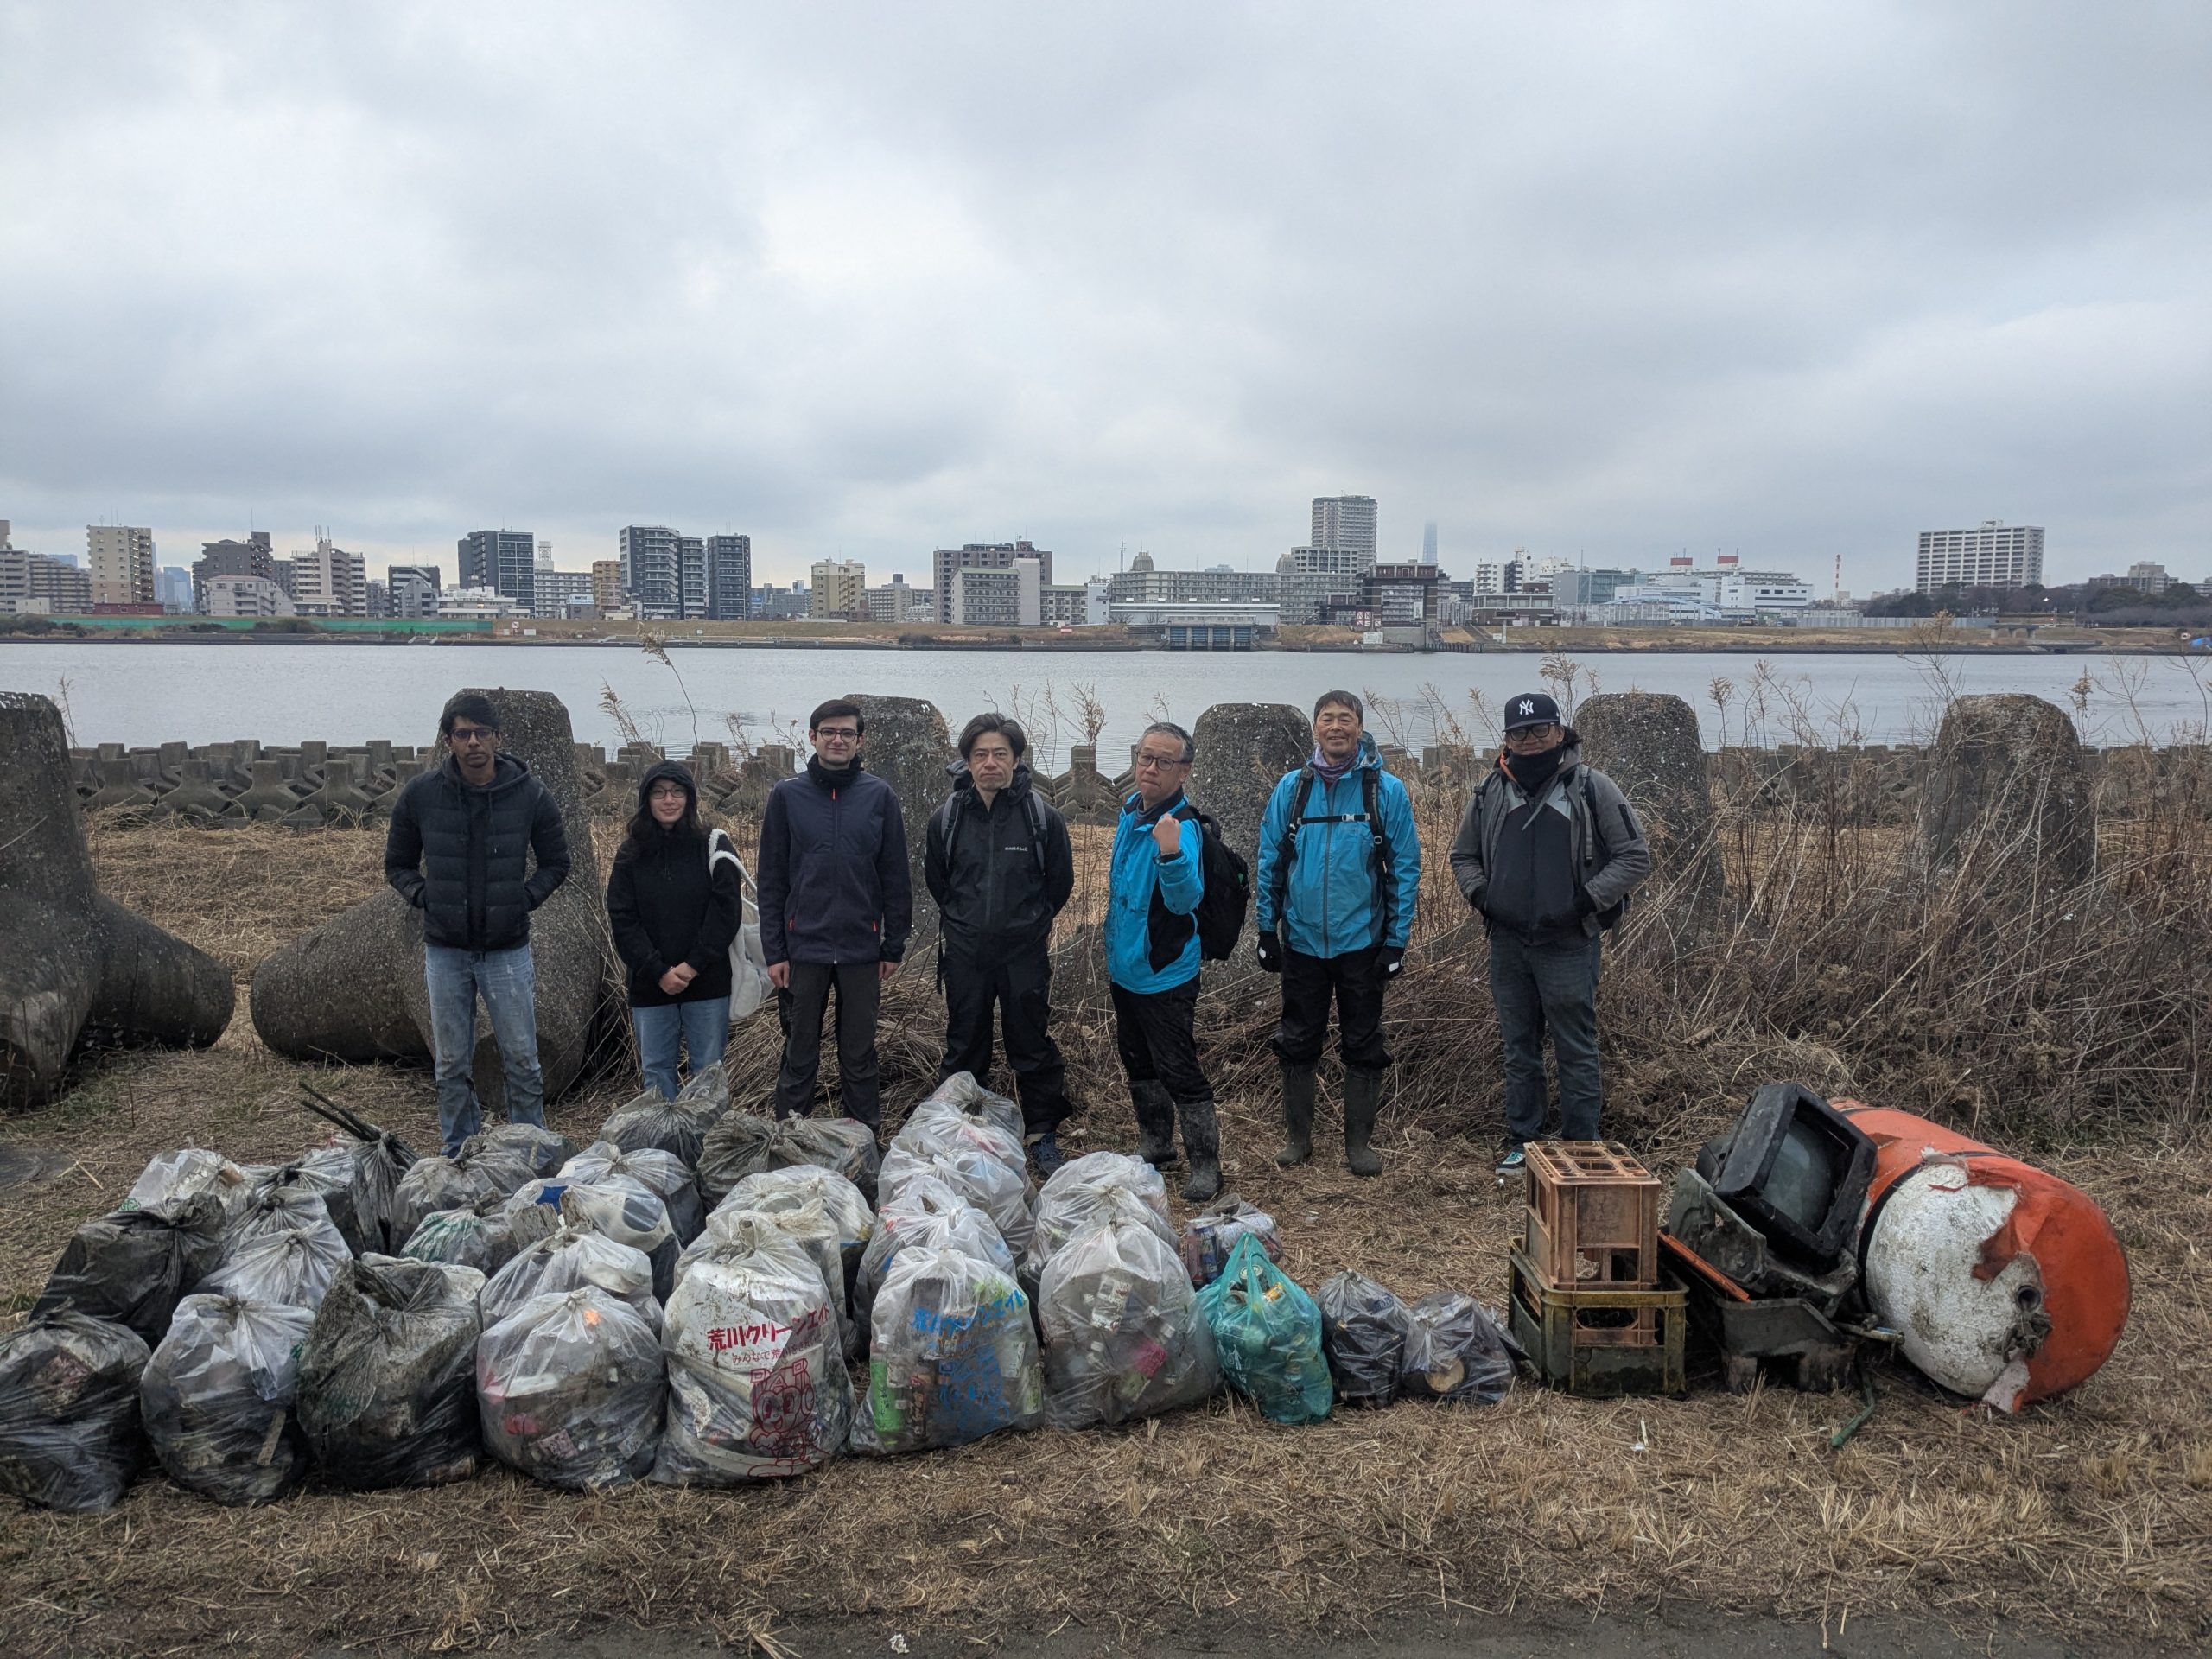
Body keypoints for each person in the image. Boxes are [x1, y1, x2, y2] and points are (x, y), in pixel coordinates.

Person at [1448, 691, 1650, 1173]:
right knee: (1519, 1048)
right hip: (1508, 942)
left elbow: (1634, 857)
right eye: (1519, 732)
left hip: (1570, 943)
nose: (1531, 740)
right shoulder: (1490, 791)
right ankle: (1524, 1142)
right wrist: (1484, 898)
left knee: (1575, 1048)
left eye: (1540, 729)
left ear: (1560, 733)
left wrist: (1584, 901)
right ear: (1507, 739)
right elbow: (1463, 857)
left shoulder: (1592, 788)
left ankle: (1582, 1147)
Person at [385, 690, 572, 1155]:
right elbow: (397, 864)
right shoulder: (422, 795)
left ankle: (532, 1149)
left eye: (482, 732)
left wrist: (522, 899)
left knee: (523, 1060)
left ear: (497, 738)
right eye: (463, 733)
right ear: (448, 740)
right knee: (451, 1064)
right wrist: (427, 897)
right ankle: (459, 1152)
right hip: (445, 950)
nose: (473, 743)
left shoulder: (528, 794)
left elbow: (557, 861)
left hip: (508, 950)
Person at [1253, 690, 1421, 1178]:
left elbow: (1404, 868)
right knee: (1297, 1039)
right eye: (1326, 719)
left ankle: (1358, 1145)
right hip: (1302, 940)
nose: (1335, 727)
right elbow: (1270, 860)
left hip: (1362, 941)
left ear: (1359, 727)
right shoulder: (1292, 788)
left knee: (1363, 1041)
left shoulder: (1383, 790)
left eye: (1345, 719)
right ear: (1314, 729)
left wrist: (1396, 940)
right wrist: (1266, 928)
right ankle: (1298, 1139)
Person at [925, 713, 1077, 1173]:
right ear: (967, 763)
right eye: (980, 755)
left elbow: (1060, 885)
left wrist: (1029, 925)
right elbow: (939, 883)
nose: (990, 763)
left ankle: (1041, 1132)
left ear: (1015, 760)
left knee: (1030, 1044)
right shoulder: (947, 819)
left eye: (1000, 755)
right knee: (964, 1044)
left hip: (1023, 953)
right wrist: (965, 926)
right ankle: (962, 1128)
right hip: (967, 953)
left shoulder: (1041, 818)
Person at [756, 697, 912, 1129]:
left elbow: (896, 876)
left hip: (863, 948)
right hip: (803, 946)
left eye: (847, 733)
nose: (837, 739)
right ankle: (789, 1140)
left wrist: (893, 943)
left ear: (860, 740)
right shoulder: (787, 796)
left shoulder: (879, 796)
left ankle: (863, 1144)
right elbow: (771, 880)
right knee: (800, 1051)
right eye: (829, 732)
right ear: (813, 737)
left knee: (859, 1054)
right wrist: (775, 951)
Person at [1107, 720, 1219, 1201]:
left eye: (1164, 761)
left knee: (1177, 1067)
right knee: (1137, 1059)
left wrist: (1170, 854)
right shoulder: (1130, 811)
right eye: (1145, 757)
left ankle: (1206, 1165)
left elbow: (1185, 901)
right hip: (1126, 967)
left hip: (1165, 972)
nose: (1150, 768)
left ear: (1184, 770)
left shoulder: (1182, 826)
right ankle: (1155, 1145)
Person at [605, 760, 744, 1100]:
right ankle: (663, 1151)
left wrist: (692, 965)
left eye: (677, 792)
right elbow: (623, 917)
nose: (669, 800)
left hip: (707, 981)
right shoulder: (630, 853)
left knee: (708, 1073)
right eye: (659, 793)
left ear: (690, 798)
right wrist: (657, 970)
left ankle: (706, 1148)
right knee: (656, 1073)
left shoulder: (714, 844)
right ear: (646, 800)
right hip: (650, 984)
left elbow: (726, 911)